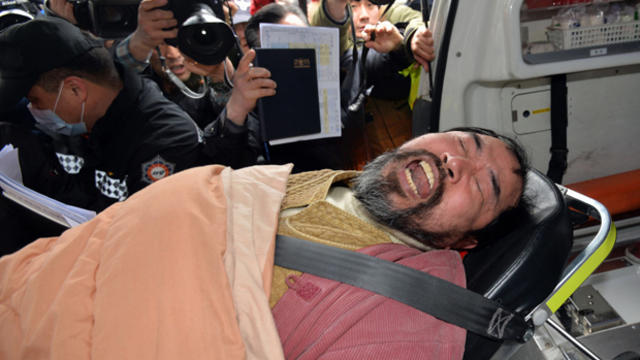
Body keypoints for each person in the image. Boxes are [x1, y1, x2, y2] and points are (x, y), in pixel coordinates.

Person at [0, 127, 529, 358]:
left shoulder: (403, 328)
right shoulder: (324, 181)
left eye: (485, 186)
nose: (457, 162)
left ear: (465, 241)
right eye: (463, 142)